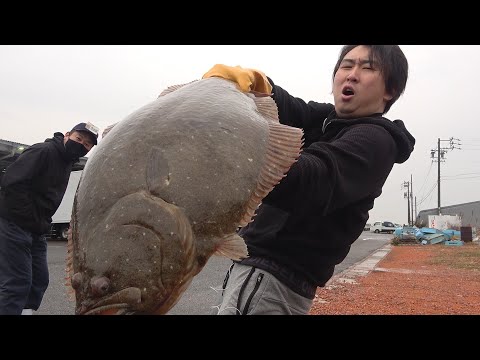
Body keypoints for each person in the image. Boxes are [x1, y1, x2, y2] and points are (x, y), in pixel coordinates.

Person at [203, 45, 415, 315]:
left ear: (390, 90)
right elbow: (290, 108)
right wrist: (259, 84)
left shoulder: (375, 140)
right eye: (346, 66)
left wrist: (234, 144)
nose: (351, 75)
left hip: (273, 281)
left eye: (368, 68)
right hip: (257, 276)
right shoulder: (327, 120)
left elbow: (310, 180)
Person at [0, 122, 99, 315]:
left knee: (39, 280)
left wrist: (40, 223)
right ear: (67, 135)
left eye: (87, 145)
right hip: (14, 224)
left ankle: (24, 312)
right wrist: (30, 217)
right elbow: (12, 183)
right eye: (79, 139)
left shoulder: (67, 162)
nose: (81, 145)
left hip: (37, 229)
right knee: (17, 281)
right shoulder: (43, 151)